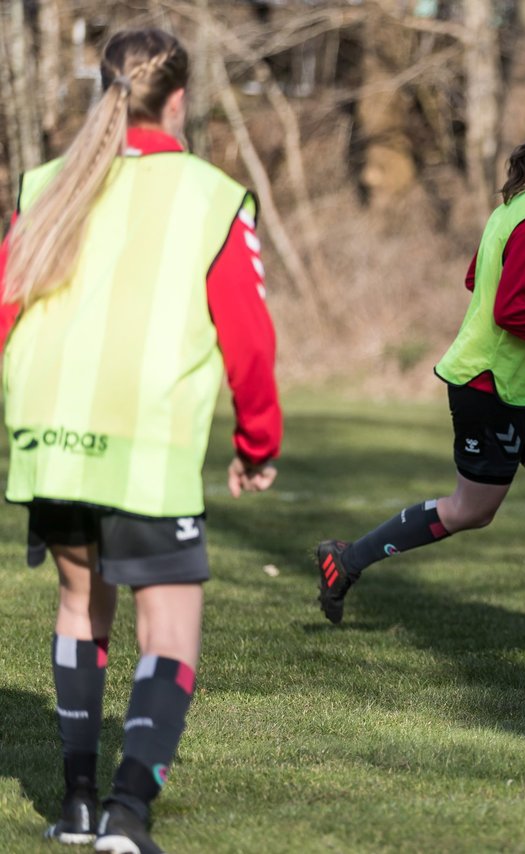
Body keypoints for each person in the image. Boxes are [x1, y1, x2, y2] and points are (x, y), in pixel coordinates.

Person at [0, 29, 282, 854]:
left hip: (50, 437)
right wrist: (258, 442)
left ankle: (77, 805)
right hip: (145, 442)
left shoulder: (47, 183)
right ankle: (127, 815)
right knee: (170, 633)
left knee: (81, 605)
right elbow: (250, 340)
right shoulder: (211, 193)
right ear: (181, 100)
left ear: (104, 88)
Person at [315, 117, 525, 655]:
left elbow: (475, 275)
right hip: (486, 382)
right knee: (473, 510)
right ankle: (345, 559)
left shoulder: (516, 210)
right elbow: (508, 305)